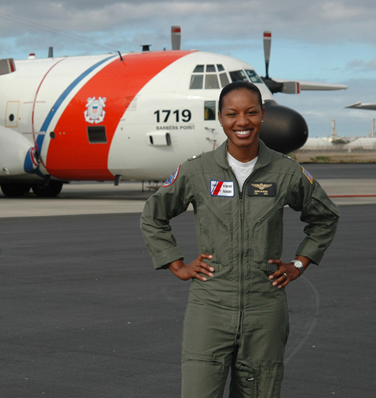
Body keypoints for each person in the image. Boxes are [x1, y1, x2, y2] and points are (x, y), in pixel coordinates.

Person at [140, 81, 339, 397]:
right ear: (220, 118)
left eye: (251, 112)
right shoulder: (196, 171)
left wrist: (300, 263)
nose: (242, 122)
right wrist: (175, 264)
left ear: (262, 116)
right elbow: (153, 214)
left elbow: (325, 216)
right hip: (210, 305)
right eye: (232, 113)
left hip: (265, 308)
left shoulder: (286, 172)